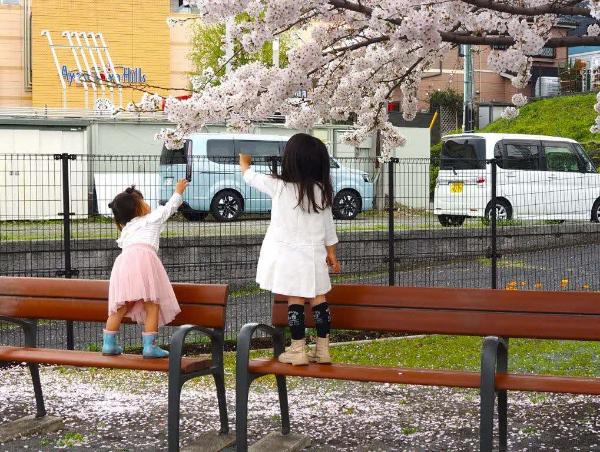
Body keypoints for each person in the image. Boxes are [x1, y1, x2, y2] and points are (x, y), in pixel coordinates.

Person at [239, 133, 341, 365]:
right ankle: (323, 349)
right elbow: (328, 228)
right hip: (315, 256)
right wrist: (332, 254)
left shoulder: (280, 186)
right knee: (319, 299)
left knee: (295, 299)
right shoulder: (321, 190)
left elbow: (250, 177)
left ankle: (298, 349)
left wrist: (245, 163)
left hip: (288, 257)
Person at [102, 179, 188, 358]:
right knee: (152, 305)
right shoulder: (150, 219)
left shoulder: (127, 229)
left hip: (123, 264)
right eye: (143, 201)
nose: (146, 204)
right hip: (145, 261)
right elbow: (169, 209)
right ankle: (150, 347)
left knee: (121, 307)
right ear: (138, 207)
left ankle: (108, 344)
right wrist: (178, 192)